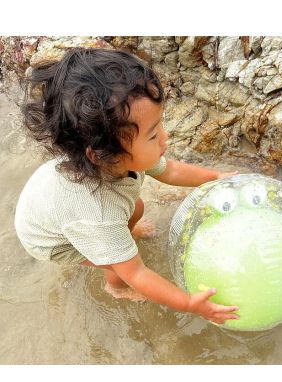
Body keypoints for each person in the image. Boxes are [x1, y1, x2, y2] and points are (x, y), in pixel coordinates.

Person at [15, 48, 239, 325]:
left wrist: (215, 178)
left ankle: (125, 238)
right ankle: (116, 289)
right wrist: (189, 303)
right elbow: (138, 274)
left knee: (138, 206)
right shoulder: (97, 216)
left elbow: (171, 170)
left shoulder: (118, 155)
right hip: (49, 238)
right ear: (103, 156)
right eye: (154, 134)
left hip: (48, 202)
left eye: (161, 126)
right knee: (116, 263)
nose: (165, 139)